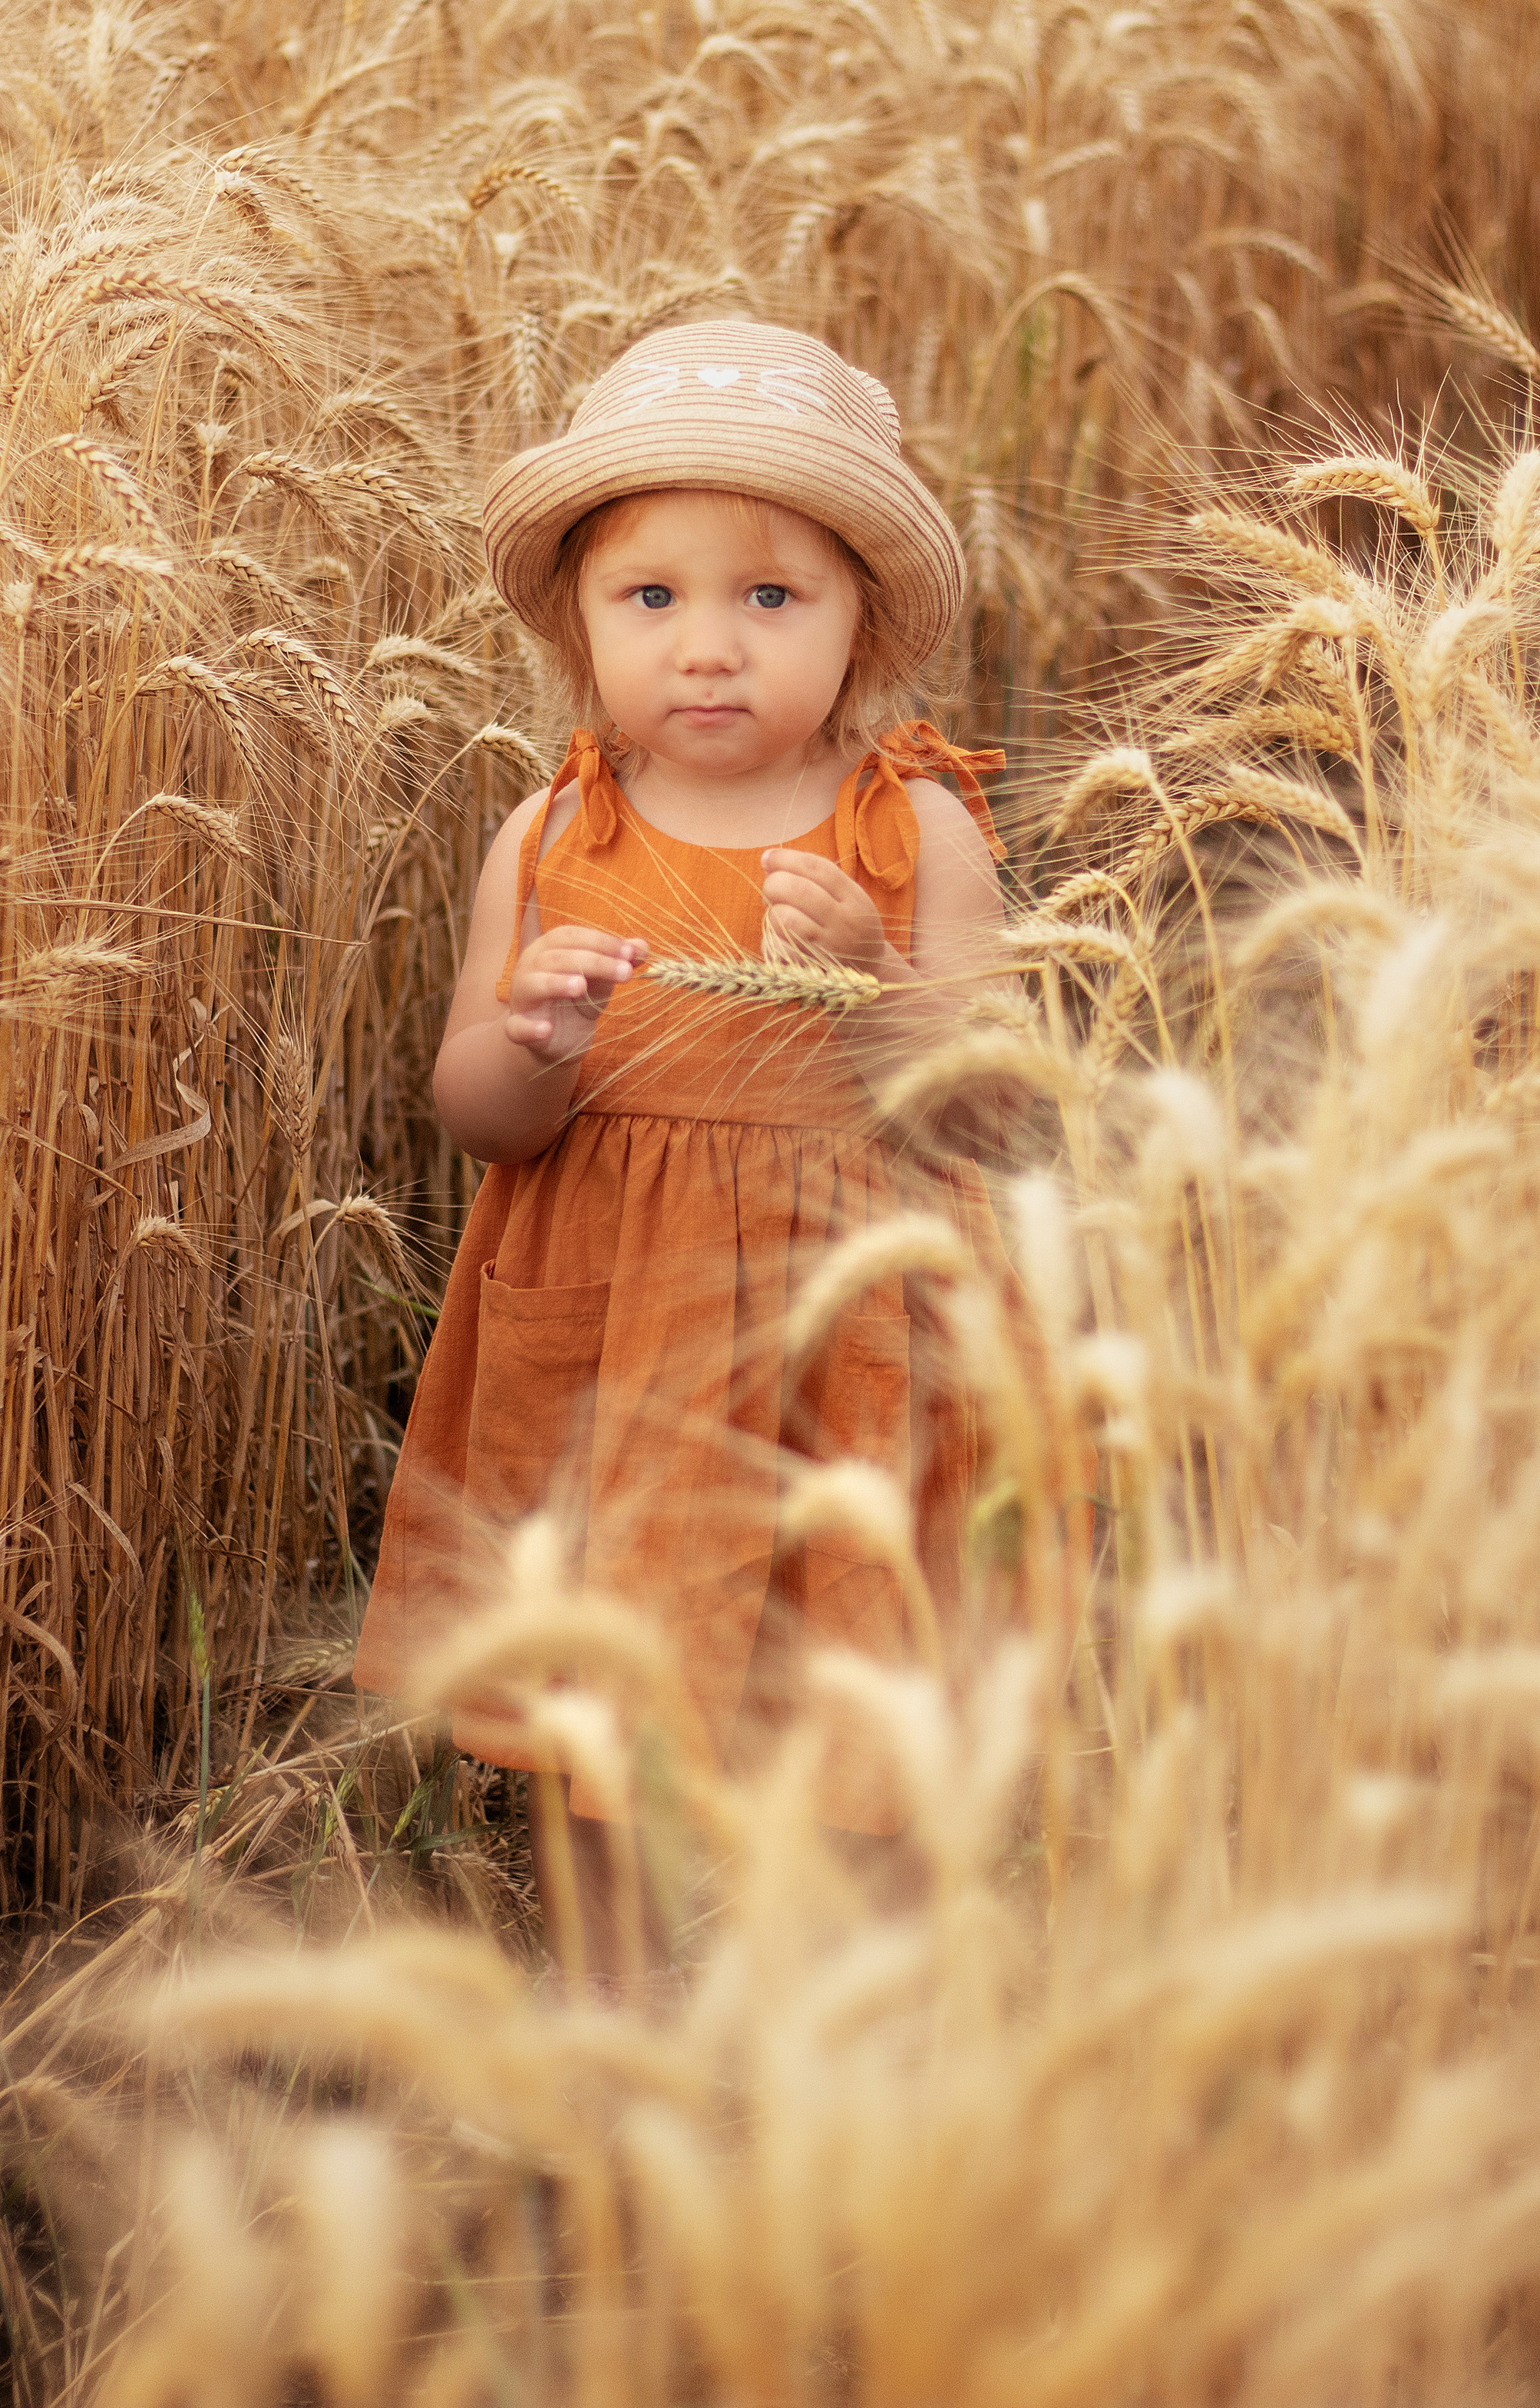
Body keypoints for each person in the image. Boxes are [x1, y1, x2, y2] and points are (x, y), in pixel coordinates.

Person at [352, 317, 1010, 1970]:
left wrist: (871, 986)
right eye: (651, 599)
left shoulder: (910, 829)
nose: (706, 648)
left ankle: (870, 2039)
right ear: (579, 629)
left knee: (864, 1709)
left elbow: (995, 1106)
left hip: (848, 1329)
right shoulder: (554, 829)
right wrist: (531, 1042)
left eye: (767, 599)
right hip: (615, 1344)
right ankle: (614, 2027)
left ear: (858, 625)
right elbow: (477, 1118)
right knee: (609, 1709)